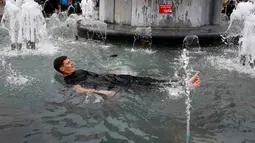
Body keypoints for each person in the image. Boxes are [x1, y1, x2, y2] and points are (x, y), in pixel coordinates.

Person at [53, 56, 201, 97]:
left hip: (113, 78)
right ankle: (187, 87)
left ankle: (183, 82)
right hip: (111, 85)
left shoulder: (76, 71)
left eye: (70, 61)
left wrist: (112, 72)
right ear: (61, 68)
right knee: (144, 87)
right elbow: (80, 90)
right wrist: (104, 93)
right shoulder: (69, 80)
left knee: (146, 80)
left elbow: (95, 74)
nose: (71, 63)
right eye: (68, 63)